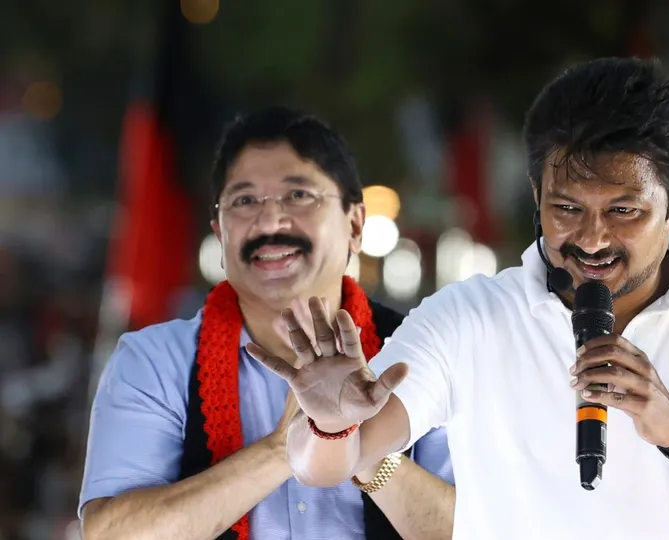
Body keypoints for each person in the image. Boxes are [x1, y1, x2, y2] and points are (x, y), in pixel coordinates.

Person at [249, 59, 669, 539]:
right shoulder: (470, 318)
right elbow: (329, 463)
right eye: (567, 209)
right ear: (537, 194)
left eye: (624, 211)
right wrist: (330, 427)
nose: (592, 240)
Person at [78, 107, 455, 540]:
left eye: (298, 196)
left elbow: (484, 527)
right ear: (220, 233)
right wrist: (286, 448)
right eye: (245, 201)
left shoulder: (424, 351)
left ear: (355, 224)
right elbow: (112, 535)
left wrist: (356, 442)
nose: (271, 221)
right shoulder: (153, 362)